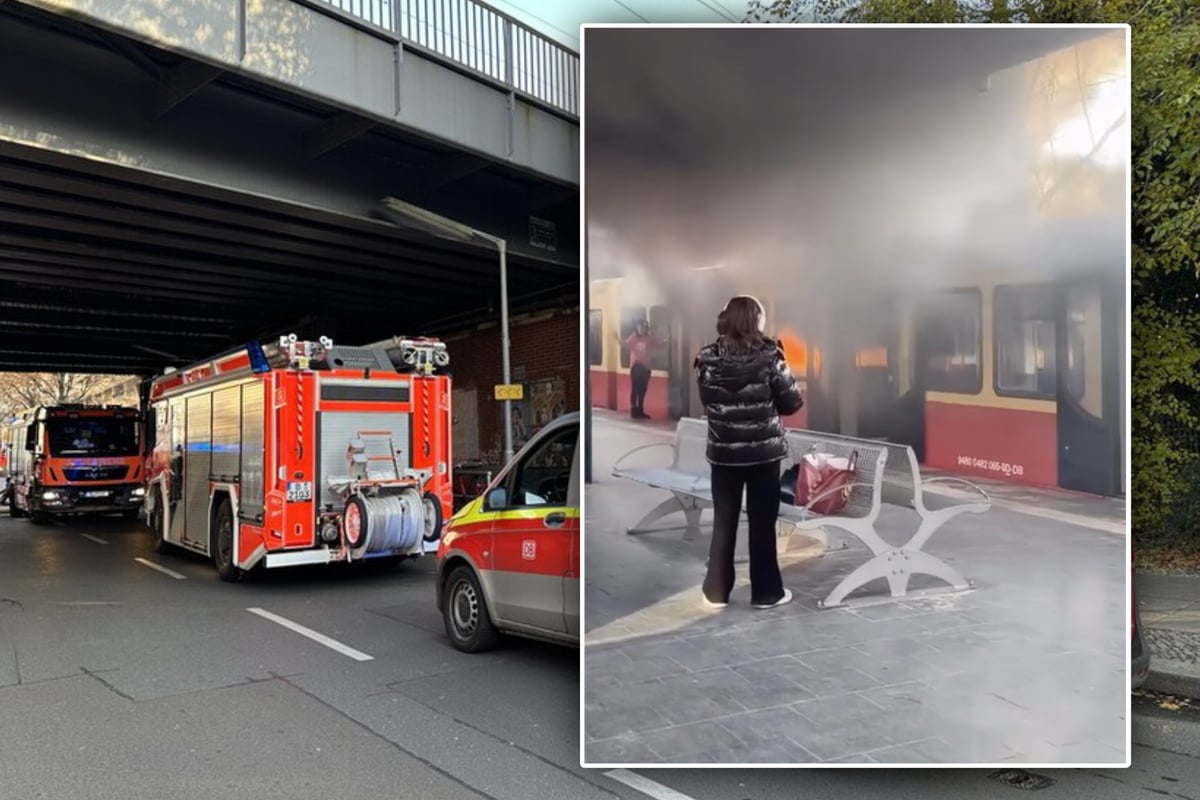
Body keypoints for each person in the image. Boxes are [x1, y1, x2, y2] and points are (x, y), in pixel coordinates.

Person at [694, 295, 804, 610]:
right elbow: (792, 403)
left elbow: (708, 402)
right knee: (762, 522)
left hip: (724, 454)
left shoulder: (707, 358)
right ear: (755, 320)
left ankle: (716, 592)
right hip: (763, 455)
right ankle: (767, 593)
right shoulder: (771, 355)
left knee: (723, 521)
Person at [625, 320, 654, 419]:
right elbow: (625, 345)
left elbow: (657, 345)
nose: (642, 329)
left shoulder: (649, 339)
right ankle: (634, 411)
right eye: (641, 327)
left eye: (645, 328)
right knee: (635, 389)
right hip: (636, 366)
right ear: (637, 328)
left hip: (646, 367)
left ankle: (640, 411)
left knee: (643, 390)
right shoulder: (632, 338)